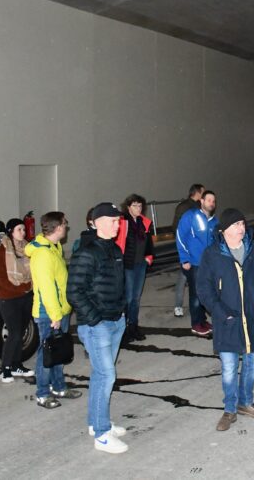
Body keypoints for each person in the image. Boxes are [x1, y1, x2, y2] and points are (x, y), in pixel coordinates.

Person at [196, 208, 254, 431]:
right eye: (236, 225)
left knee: (252, 364)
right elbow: (204, 288)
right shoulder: (212, 254)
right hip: (228, 321)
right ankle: (230, 409)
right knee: (229, 369)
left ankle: (246, 403)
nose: (242, 228)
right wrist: (220, 312)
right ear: (224, 230)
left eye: (242, 223)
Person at [67, 202, 129, 454]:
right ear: (99, 221)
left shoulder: (113, 248)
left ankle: (96, 423)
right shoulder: (87, 252)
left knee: (100, 375)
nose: (118, 224)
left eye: (118, 220)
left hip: (115, 320)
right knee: (106, 375)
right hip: (98, 325)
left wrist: (121, 311)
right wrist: (95, 319)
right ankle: (102, 436)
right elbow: (74, 291)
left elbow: (117, 284)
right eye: (114, 220)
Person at [25, 211, 82, 409]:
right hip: (48, 313)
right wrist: (55, 315)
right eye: (65, 224)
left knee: (59, 351)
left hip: (59, 309)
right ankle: (42, 393)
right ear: (57, 227)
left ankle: (58, 387)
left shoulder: (54, 247)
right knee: (46, 355)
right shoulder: (42, 254)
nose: (66, 227)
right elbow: (47, 287)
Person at [0, 218, 34, 383]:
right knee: (14, 333)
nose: (23, 233)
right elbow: (2, 279)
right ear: (10, 232)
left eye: (24, 230)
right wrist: (23, 288)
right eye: (19, 230)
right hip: (9, 298)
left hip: (25, 296)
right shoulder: (2, 251)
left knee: (21, 332)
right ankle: (5, 368)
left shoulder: (27, 249)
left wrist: (28, 288)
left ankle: (17, 365)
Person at [176, 190, 218, 336]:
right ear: (201, 201)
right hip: (194, 263)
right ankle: (196, 324)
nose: (211, 203)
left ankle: (202, 320)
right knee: (195, 294)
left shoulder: (214, 221)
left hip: (209, 264)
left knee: (205, 292)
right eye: (209, 200)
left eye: (213, 201)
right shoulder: (191, 216)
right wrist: (184, 259)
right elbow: (180, 236)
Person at [115, 194, 154, 342]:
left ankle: (133, 326)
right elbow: (118, 242)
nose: (139, 208)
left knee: (136, 299)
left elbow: (149, 242)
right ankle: (123, 329)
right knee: (128, 297)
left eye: (140, 206)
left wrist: (149, 256)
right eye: (135, 206)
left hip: (140, 264)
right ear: (128, 207)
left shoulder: (143, 222)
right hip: (128, 265)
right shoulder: (122, 221)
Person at [173, 184, 204, 317]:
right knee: (184, 277)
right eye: (203, 192)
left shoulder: (196, 206)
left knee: (193, 277)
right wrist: (184, 248)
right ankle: (178, 306)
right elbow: (177, 228)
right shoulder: (185, 207)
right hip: (187, 249)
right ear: (197, 193)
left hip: (196, 249)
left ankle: (199, 307)